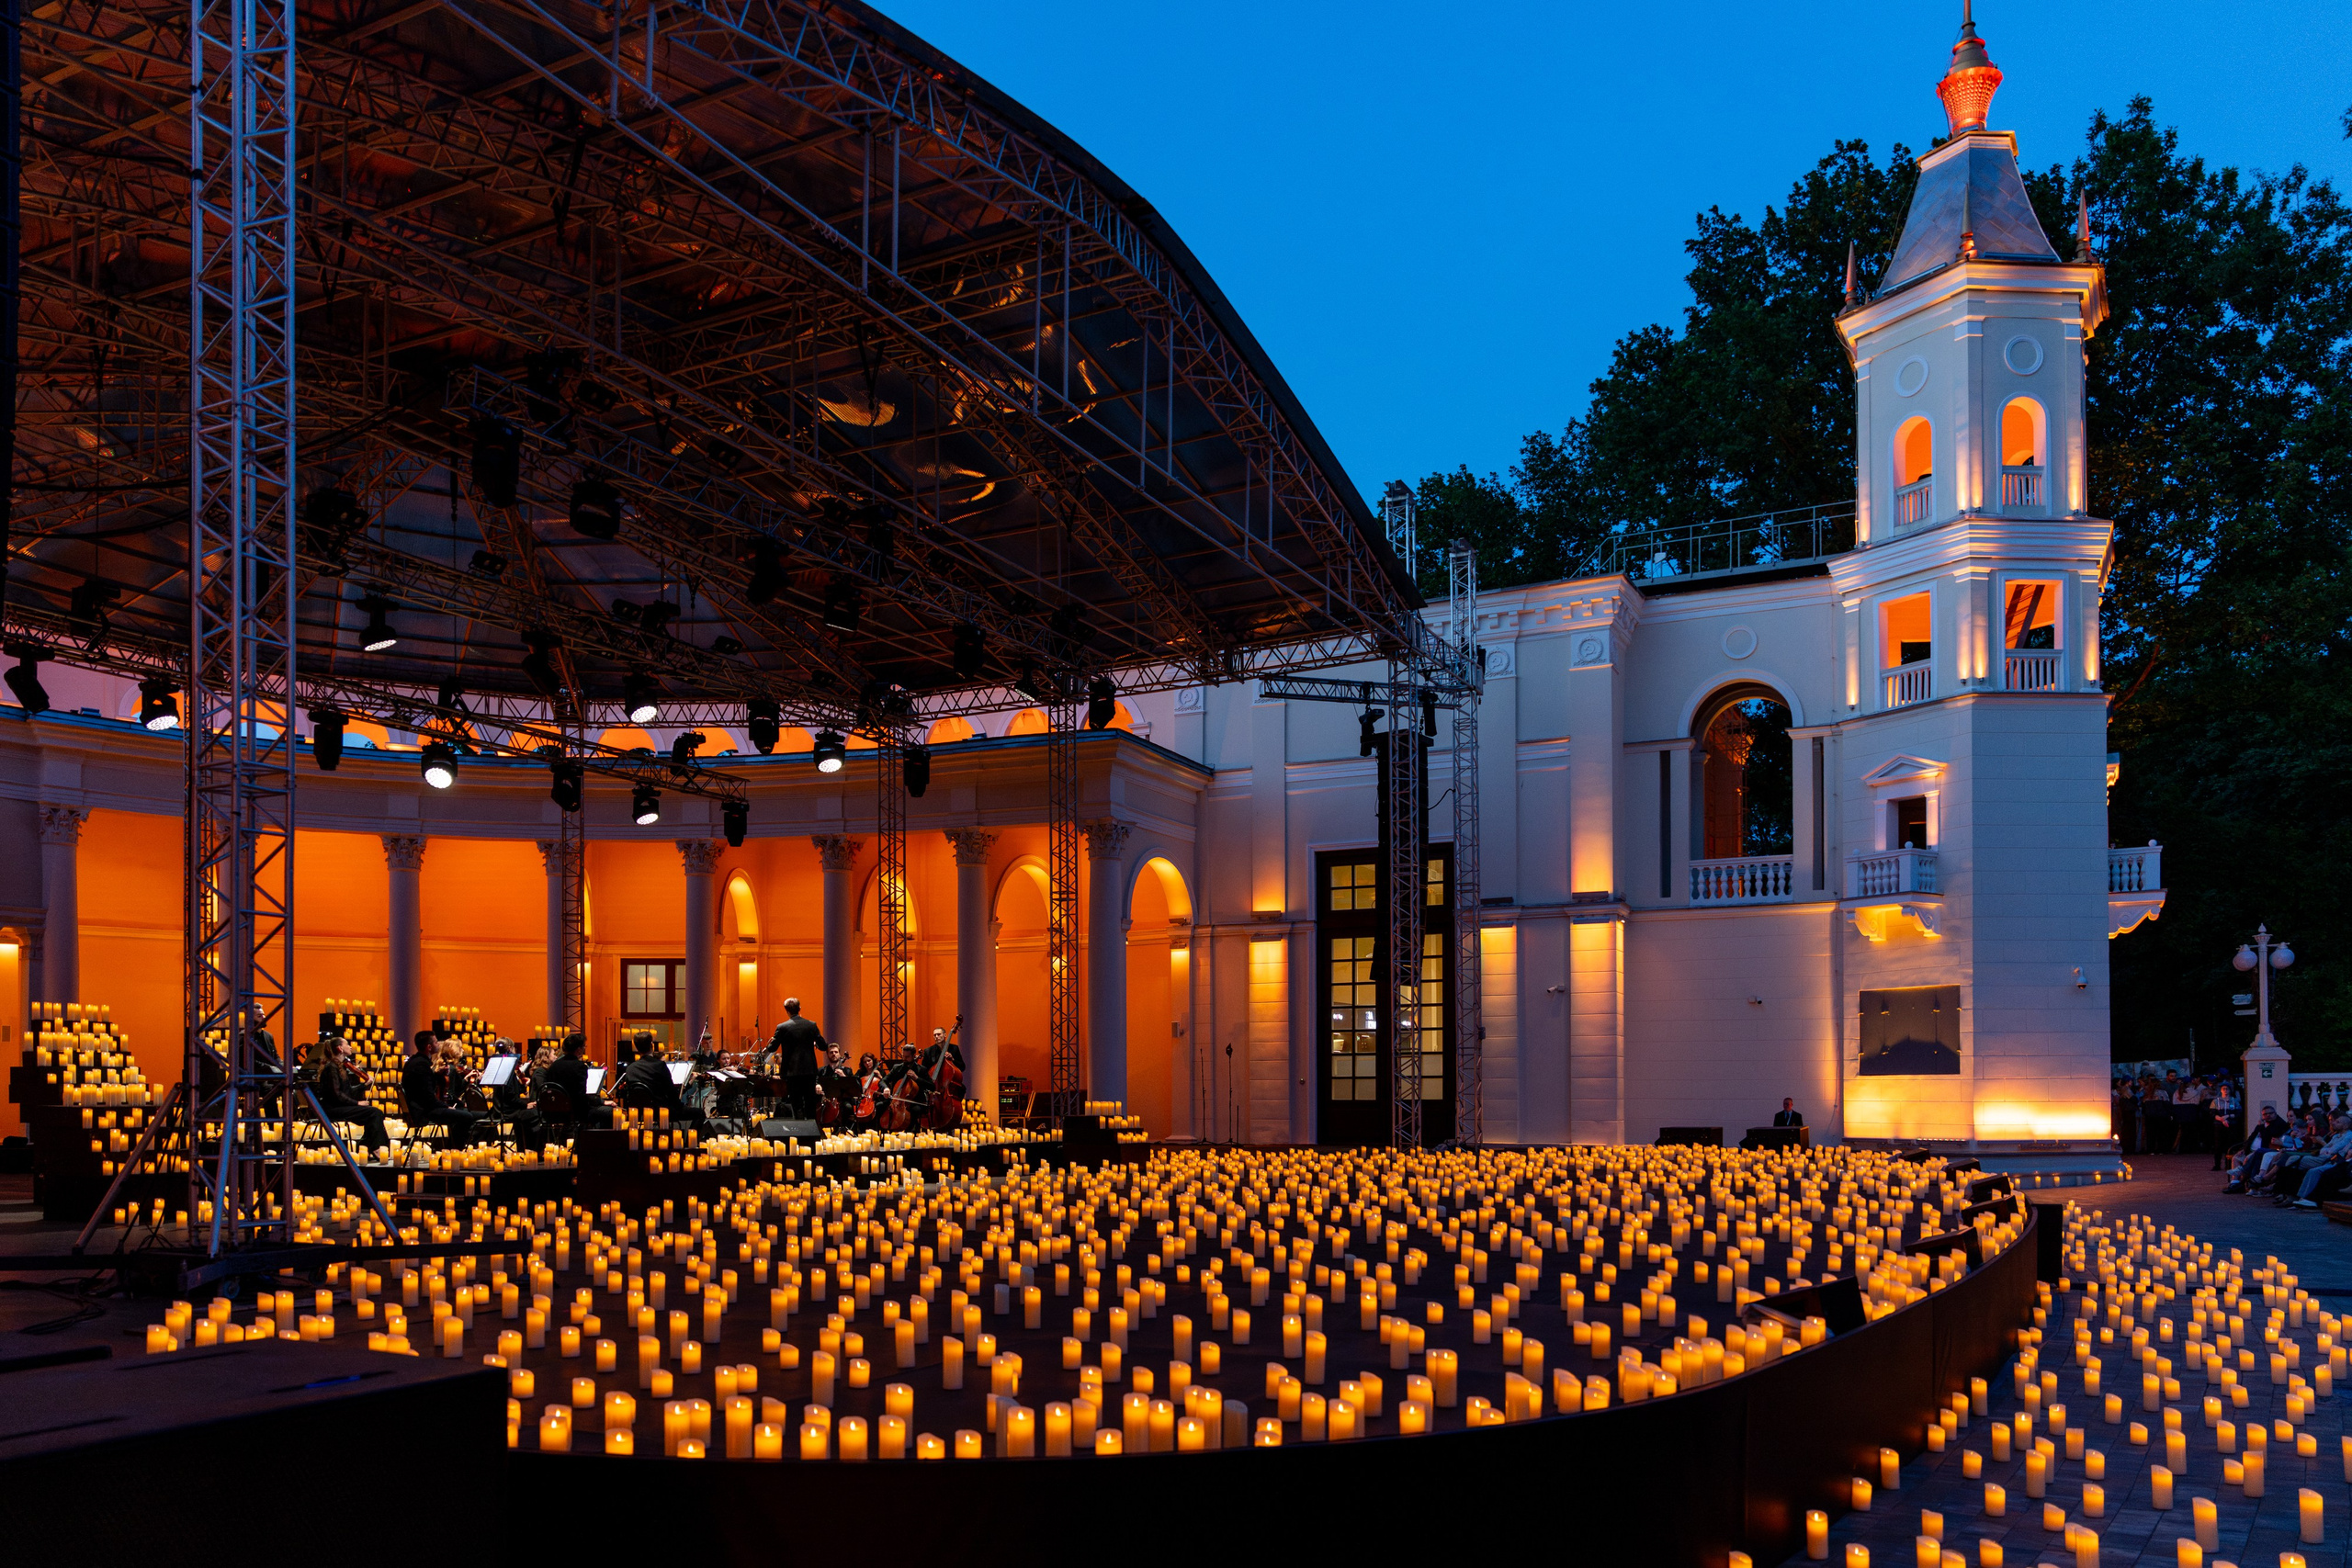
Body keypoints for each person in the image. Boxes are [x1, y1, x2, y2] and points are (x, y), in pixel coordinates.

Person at [311, 1034, 390, 1153]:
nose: (350, 1047)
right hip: (332, 1108)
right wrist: (357, 1103)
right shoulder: (331, 1067)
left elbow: (346, 1092)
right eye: (347, 1044)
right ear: (340, 1049)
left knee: (373, 1114)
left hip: (339, 1106)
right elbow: (336, 1095)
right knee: (374, 1113)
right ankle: (374, 1148)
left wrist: (364, 1085)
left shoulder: (339, 1067)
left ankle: (367, 1147)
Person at [401, 1030, 484, 1143]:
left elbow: (423, 1086)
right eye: (436, 1042)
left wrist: (436, 1075)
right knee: (466, 1116)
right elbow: (428, 1097)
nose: (439, 1045)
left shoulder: (414, 1062)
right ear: (429, 1047)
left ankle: (455, 1148)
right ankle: (455, 1150)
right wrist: (445, 1106)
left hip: (420, 1108)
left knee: (464, 1114)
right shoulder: (422, 1065)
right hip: (423, 1111)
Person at [770, 998, 826, 1120]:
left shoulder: (782, 1027)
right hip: (809, 1071)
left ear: (786, 1011)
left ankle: (800, 1133)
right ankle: (812, 1132)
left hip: (792, 1073)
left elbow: (771, 1048)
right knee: (810, 1103)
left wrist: (772, 1042)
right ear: (800, 1009)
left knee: (797, 1104)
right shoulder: (811, 1025)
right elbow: (823, 1046)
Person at [537, 1032, 602, 1129]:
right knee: (608, 1113)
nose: (584, 1049)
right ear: (579, 1050)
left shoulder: (554, 1066)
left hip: (552, 1111)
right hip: (573, 1112)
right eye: (584, 1046)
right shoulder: (580, 1067)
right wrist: (600, 1101)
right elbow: (580, 1096)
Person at [615, 1042, 683, 1115]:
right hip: (661, 1110)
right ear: (652, 1046)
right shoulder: (660, 1065)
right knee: (696, 1113)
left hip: (637, 1111)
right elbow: (671, 1091)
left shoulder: (630, 1068)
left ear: (637, 1048)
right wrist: (679, 1105)